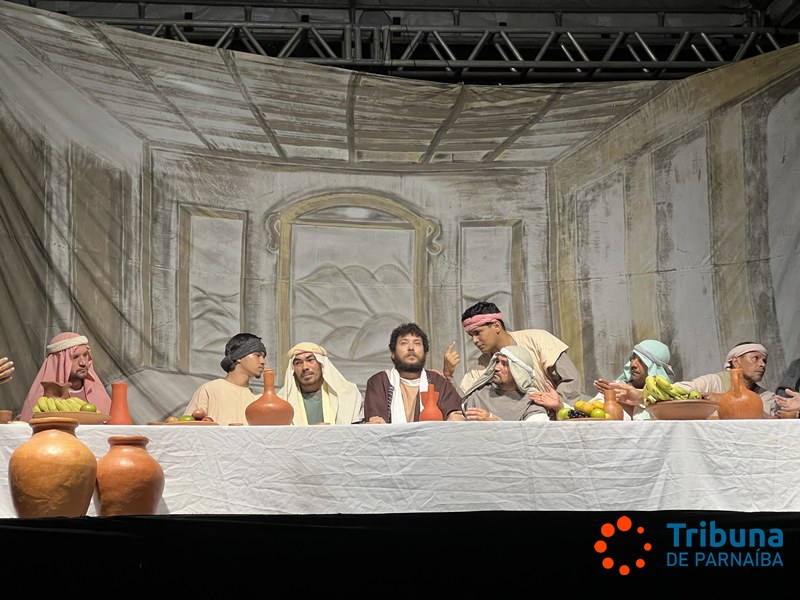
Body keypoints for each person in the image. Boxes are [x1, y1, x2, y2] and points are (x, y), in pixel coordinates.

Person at [443, 301, 583, 407]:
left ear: (496, 326)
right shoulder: (480, 366)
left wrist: (557, 408)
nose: (474, 340)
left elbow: (570, 379)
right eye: (471, 336)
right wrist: (448, 376)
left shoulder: (537, 339)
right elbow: (463, 402)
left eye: (477, 333)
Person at [364, 322, 466, 424]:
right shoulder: (379, 382)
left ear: (425, 353)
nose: (411, 348)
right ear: (393, 353)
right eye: (404, 343)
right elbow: (376, 424)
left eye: (417, 343)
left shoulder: (439, 383)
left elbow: (455, 416)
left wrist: (454, 417)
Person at [19, 332, 112, 421]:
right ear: (60, 362)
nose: (83, 363)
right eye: (75, 357)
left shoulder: (97, 393)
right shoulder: (42, 399)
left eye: (85, 355)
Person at [673, 341, 777, 417]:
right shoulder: (713, 382)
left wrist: (725, 400)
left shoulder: (766, 396)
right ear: (736, 362)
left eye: (764, 361)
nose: (762, 364)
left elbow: (764, 420)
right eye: (755, 358)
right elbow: (677, 390)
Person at [184, 332, 266, 425]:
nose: (263, 362)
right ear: (239, 357)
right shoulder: (210, 390)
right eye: (257, 355)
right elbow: (187, 429)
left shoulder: (258, 399)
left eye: (263, 357)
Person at [461, 345, 562, 421]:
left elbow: (534, 435)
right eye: (497, 362)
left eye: (504, 364)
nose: (496, 368)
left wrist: (494, 421)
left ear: (518, 372)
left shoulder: (531, 401)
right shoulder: (479, 394)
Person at [277, 342, 364, 425]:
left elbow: (356, 431)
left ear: (322, 364)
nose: (305, 367)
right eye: (298, 363)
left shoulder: (348, 394)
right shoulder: (281, 401)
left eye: (310, 360)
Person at [591, 339, 675, 420]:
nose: (633, 364)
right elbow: (592, 411)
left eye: (641, 361)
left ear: (654, 368)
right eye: (633, 358)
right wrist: (610, 397)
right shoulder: (617, 389)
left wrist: (638, 400)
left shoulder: (668, 399)